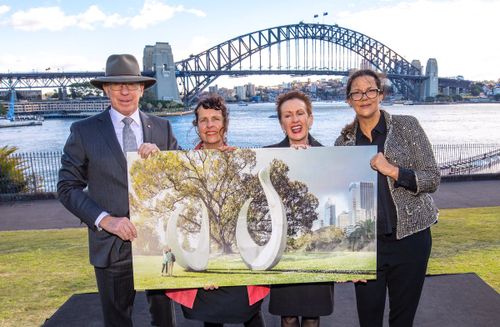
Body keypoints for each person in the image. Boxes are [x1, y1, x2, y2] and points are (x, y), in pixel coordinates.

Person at [58, 54, 179, 327]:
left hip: (158, 242)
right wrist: (105, 220)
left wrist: (163, 160)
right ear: (106, 89)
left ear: (142, 89)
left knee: (164, 320)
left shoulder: (162, 128)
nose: (125, 91)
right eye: (116, 85)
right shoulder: (84, 131)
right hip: (111, 245)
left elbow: (181, 176)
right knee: (117, 321)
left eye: (132, 85)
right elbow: (67, 187)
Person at [335, 69, 440, 327]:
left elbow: (432, 178)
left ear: (380, 94)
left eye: (370, 90)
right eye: (356, 93)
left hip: (411, 240)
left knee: (402, 320)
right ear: (349, 100)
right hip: (367, 245)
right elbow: (340, 201)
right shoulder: (343, 144)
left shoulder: (407, 126)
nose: (364, 97)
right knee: (369, 320)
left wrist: (393, 171)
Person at [165, 94, 269, 327]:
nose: (210, 125)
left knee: (250, 314)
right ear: (197, 125)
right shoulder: (184, 163)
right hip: (204, 255)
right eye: (203, 120)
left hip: (239, 258)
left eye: (215, 119)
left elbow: (255, 209)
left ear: (224, 123)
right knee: (212, 320)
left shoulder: (244, 162)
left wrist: (298, 150)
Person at [265, 90, 334, 327]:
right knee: (288, 315)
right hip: (284, 246)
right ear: (281, 123)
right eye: (287, 115)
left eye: (300, 113)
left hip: (316, 245)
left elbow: (331, 195)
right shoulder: (268, 155)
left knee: (312, 316)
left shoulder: (328, 154)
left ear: (310, 118)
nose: (295, 120)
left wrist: (311, 164)